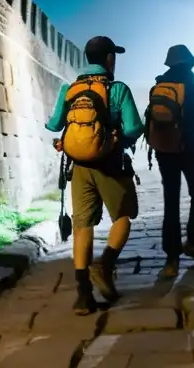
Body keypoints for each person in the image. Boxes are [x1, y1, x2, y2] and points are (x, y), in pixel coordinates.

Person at [46, 36, 144, 315]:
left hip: (78, 167)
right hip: (111, 164)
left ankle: (83, 296)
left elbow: (53, 125)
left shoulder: (70, 89)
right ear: (110, 58)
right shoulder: (117, 89)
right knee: (124, 216)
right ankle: (104, 263)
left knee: (83, 226)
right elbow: (135, 128)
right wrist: (115, 140)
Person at [145, 44, 194, 279]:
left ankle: (171, 259)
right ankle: (193, 241)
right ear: (188, 65)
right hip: (190, 146)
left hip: (165, 149)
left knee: (170, 201)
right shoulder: (192, 87)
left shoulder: (158, 87)